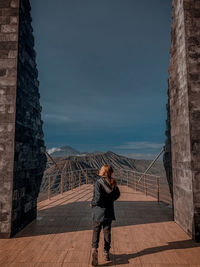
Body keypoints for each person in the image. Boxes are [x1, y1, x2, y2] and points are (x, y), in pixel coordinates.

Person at [90, 164, 120, 266]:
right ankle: (106, 253)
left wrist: (92, 203)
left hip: (98, 212)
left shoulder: (98, 182)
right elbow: (117, 194)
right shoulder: (113, 182)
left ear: (104, 172)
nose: (99, 169)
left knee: (96, 232)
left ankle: (94, 250)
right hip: (109, 212)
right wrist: (110, 200)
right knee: (107, 232)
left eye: (101, 169)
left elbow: (97, 199)